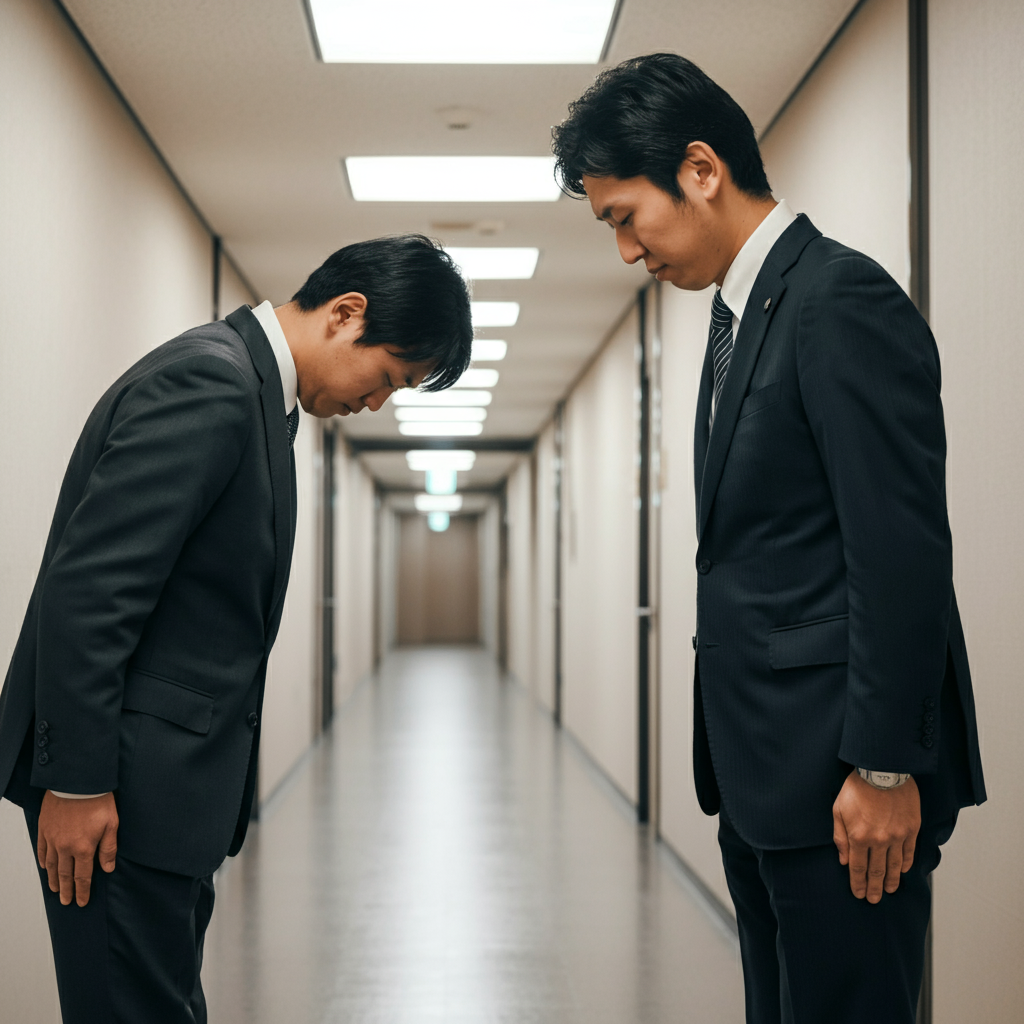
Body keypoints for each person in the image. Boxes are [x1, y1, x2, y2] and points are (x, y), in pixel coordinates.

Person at [552, 54, 985, 1024]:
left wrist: (882, 765)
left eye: (625, 215)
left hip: (844, 788)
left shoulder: (838, 301)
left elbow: (900, 549)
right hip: (764, 780)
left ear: (700, 169)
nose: (626, 250)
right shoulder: (737, 322)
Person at [0, 233, 472, 1023]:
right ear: (345, 314)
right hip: (117, 790)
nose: (377, 404)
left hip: (162, 793)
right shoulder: (210, 384)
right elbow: (91, 591)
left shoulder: (257, 396)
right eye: (388, 377)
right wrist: (77, 781)